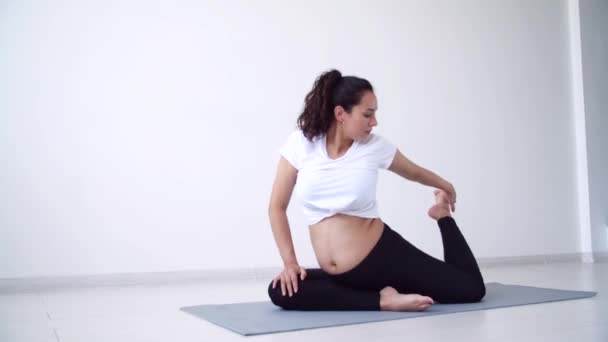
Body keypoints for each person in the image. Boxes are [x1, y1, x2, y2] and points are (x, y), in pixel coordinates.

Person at [267, 69, 485, 311]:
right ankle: (382, 300)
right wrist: (290, 264)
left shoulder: (374, 147)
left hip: (384, 258)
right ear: (341, 114)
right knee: (280, 291)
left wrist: (445, 186)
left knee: (471, 289)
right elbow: (277, 207)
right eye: (367, 114)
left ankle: (443, 217)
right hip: (340, 275)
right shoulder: (300, 144)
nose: (374, 122)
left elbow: (414, 172)